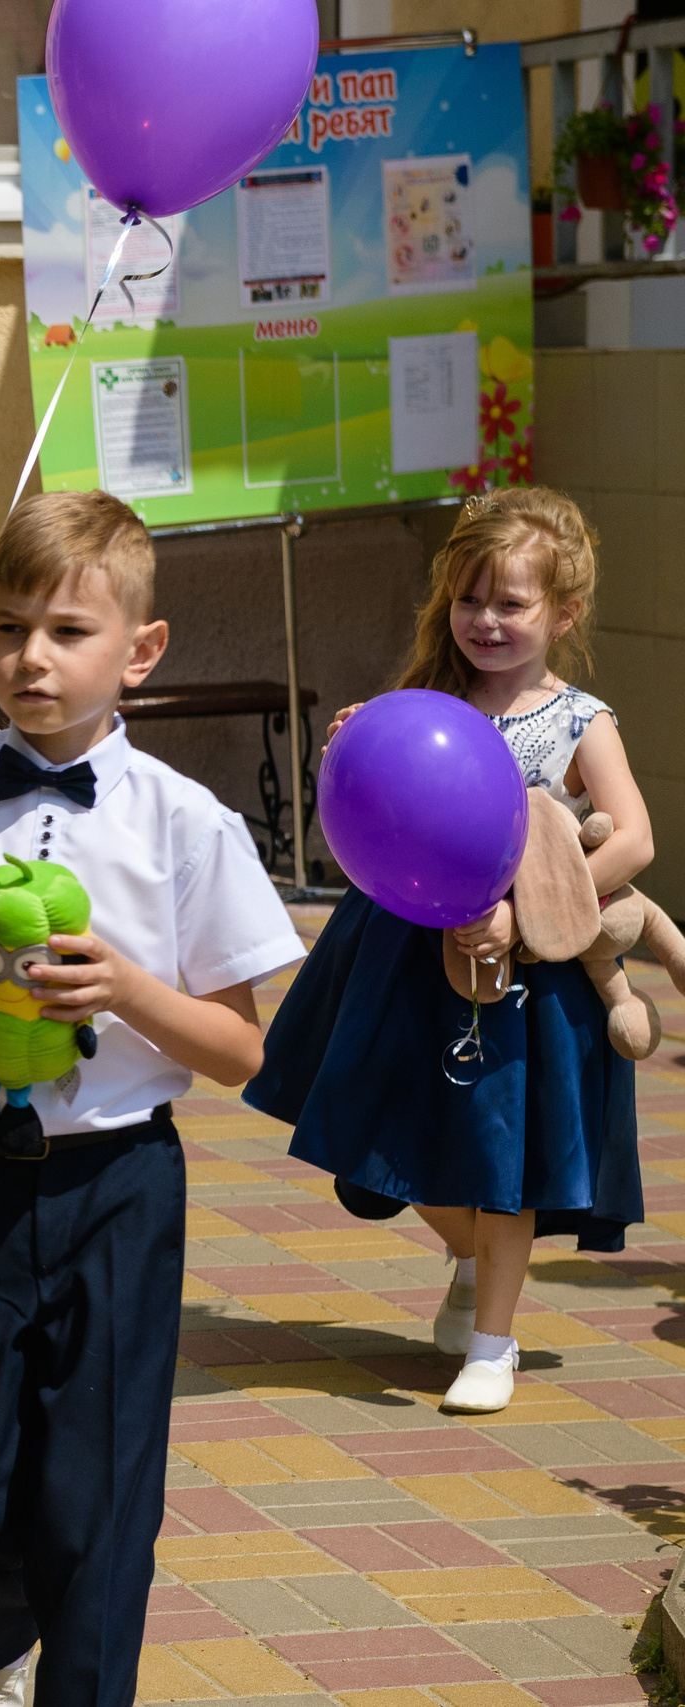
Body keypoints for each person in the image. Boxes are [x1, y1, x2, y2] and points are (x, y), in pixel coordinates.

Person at [0, 490, 302, 1707]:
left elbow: (246, 1054)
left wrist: (133, 989)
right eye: (7, 629)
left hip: (118, 1187)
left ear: (138, 652)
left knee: (98, 1497)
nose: (29, 658)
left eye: (66, 633)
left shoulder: (185, 823)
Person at [247, 487, 646, 1415]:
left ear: (563, 614)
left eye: (511, 604)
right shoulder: (424, 699)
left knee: (503, 1155)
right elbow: (374, 812)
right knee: (374, 1128)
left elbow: (633, 835)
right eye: (471, 600)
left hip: (529, 974)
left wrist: (530, 904)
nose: (487, 622)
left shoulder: (581, 717)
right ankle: (469, 1257)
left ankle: (494, 1341)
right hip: (403, 956)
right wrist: (352, 749)